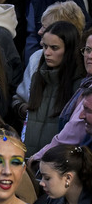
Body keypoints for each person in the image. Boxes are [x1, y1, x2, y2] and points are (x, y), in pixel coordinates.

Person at [21, 20, 86, 155]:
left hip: (58, 162)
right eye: (45, 46)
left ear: (69, 50)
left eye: (54, 48)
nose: (47, 52)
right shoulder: (38, 77)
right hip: (29, 157)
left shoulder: (79, 85)